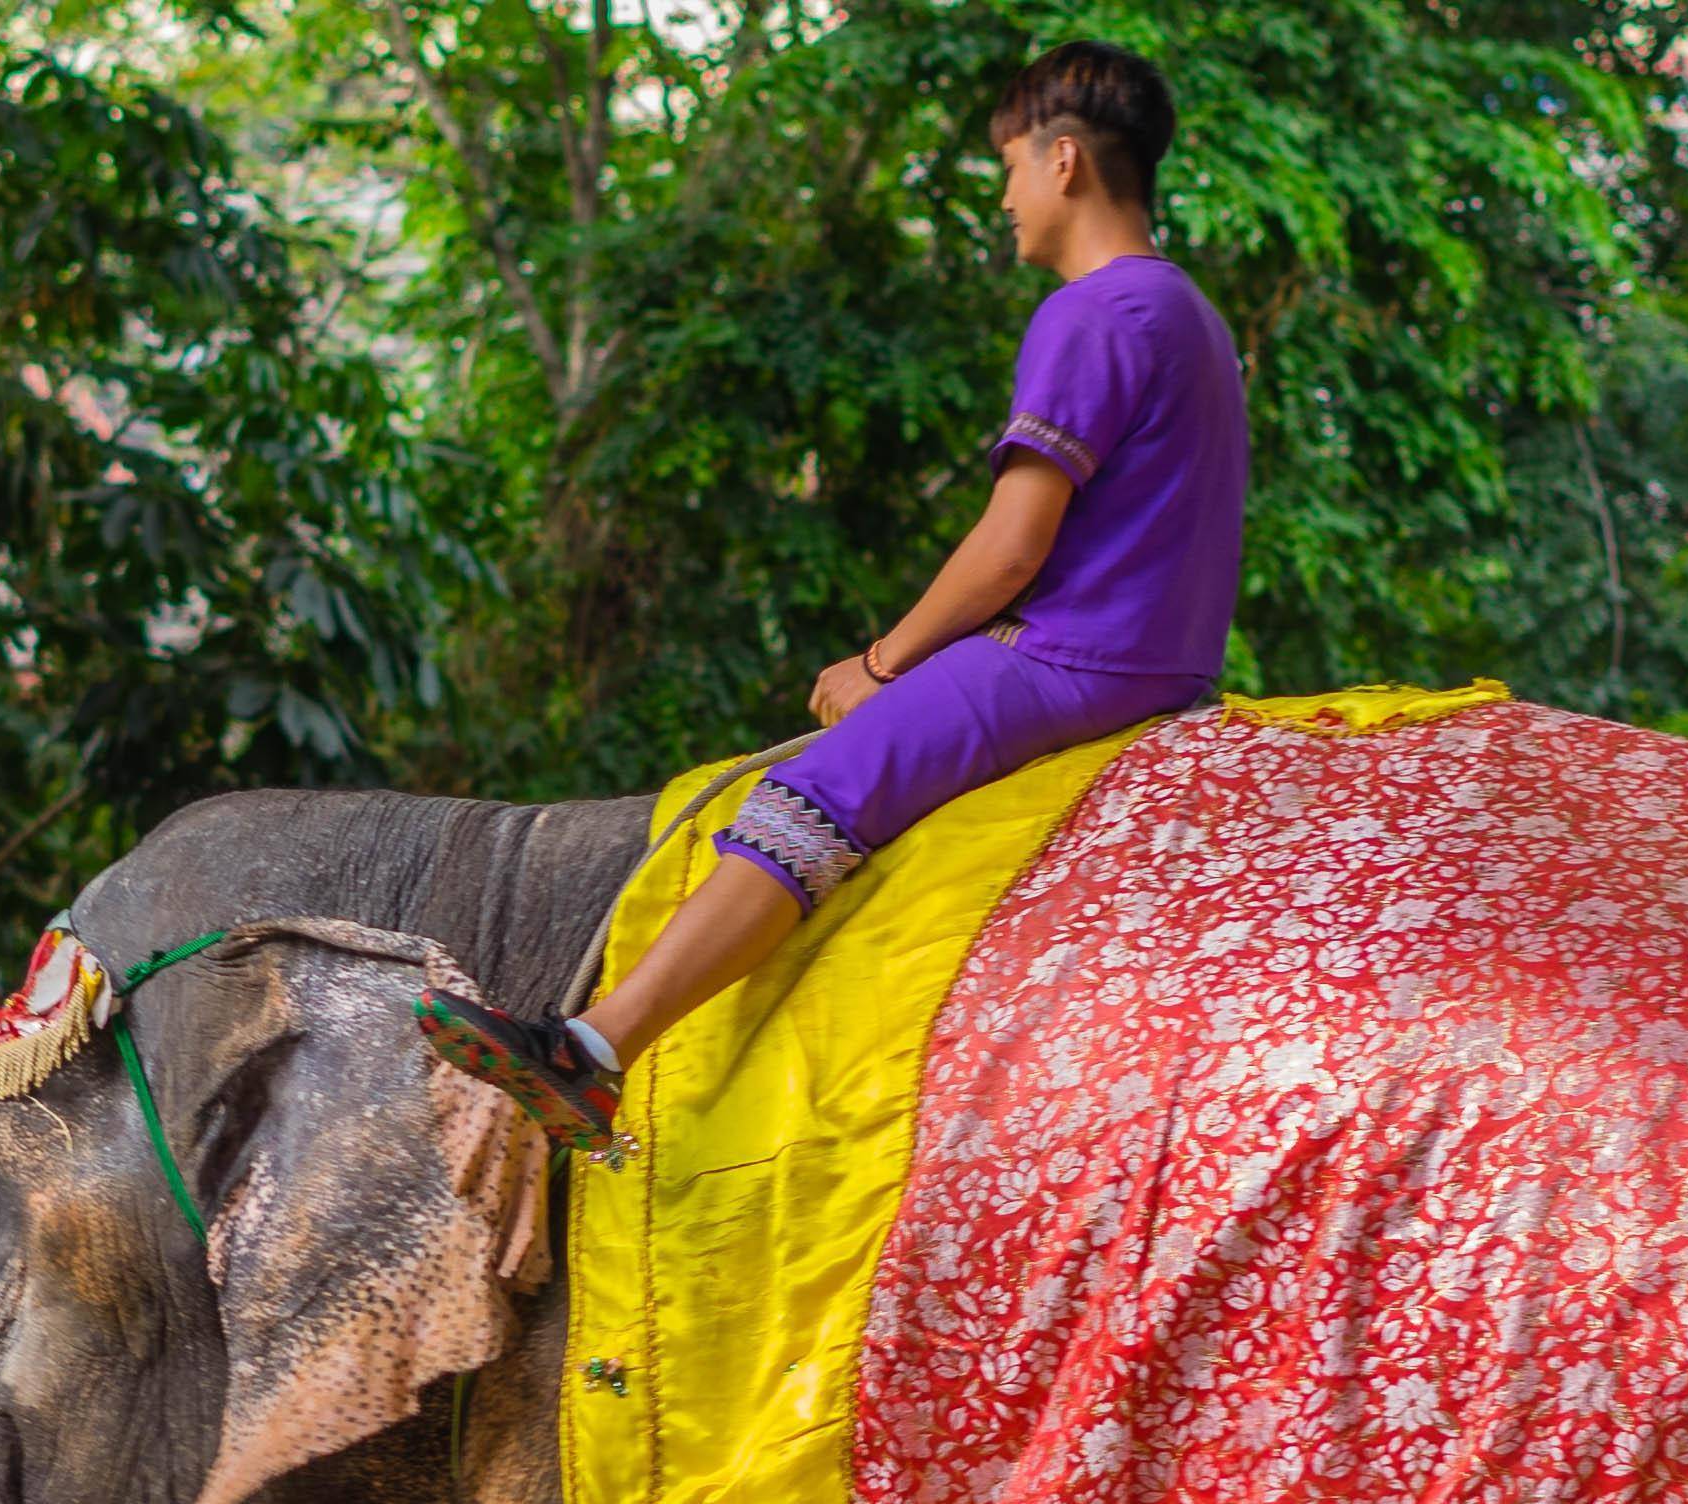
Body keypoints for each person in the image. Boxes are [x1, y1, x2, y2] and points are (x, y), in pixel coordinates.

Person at [420, 39, 1247, 1152]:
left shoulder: (1090, 314)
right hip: (1170, 664)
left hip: (1073, 657)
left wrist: (882, 663)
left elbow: (1010, 546)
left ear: (1062, 163)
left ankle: (592, 1051)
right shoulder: (1189, 312)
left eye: (1006, 169)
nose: (1001, 199)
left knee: (809, 797)